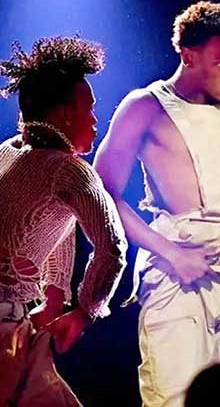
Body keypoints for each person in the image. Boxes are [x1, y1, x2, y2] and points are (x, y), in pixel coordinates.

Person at [94, 1, 220, 406]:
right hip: (181, 282)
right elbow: (101, 193)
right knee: (176, 398)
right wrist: (171, 253)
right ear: (189, 56)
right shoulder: (145, 107)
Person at [0, 36, 127, 406]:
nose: (94, 119)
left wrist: (56, 296)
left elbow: (51, 223)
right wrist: (85, 312)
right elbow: (112, 247)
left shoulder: (8, 152)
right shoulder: (69, 171)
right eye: (88, 108)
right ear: (64, 115)